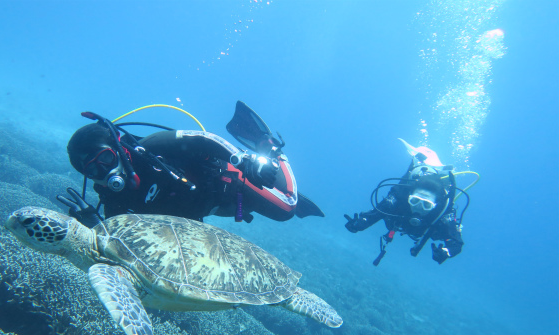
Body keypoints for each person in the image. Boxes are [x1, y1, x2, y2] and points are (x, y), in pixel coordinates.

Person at [58, 101, 324, 228]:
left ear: (118, 148)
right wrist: (94, 227)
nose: (105, 172)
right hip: (211, 206)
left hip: (227, 180)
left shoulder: (151, 147)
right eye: (92, 169)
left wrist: (242, 161)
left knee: (286, 209)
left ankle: (269, 148)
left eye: (106, 158)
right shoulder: (112, 197)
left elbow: (202, 139)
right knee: (247, 208)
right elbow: (119, 238)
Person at [344, 143, 469, 266]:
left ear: (435, 205)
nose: (418, 207)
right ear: (408, 197)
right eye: (415, 201)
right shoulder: (398, 198)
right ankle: (418, 162)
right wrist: (360, 223)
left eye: (427, 205)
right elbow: (376, 214)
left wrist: (447, 252)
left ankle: (423, 163)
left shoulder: (442, 212)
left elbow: (456, 243)